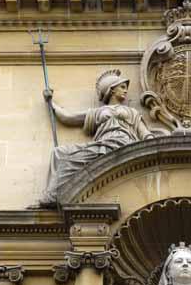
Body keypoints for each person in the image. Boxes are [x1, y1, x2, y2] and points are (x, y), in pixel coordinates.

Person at [39, 69, 154, 205]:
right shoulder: (98, 112)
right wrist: (50, 102)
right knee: (59, 152)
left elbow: (145, 134)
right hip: (102, 147)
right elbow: (68, 118)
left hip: (124, 145)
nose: (125, 91)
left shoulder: (132, 112)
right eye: (122, 87)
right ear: (112, 90)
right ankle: (52, 196)